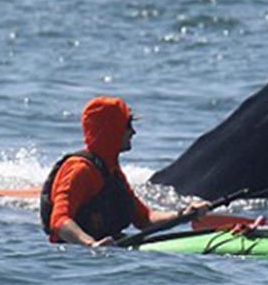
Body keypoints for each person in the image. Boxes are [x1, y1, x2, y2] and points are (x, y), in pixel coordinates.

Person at [40, 96, 208, 247]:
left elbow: (145, 219)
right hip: (75, 259)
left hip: (108, 249)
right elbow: (59, 220)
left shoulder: (111, 171)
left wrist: (184, 214)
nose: (133, 132)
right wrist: (91, 245)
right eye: (127, 125)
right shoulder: (80, 170)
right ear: (110, 129)